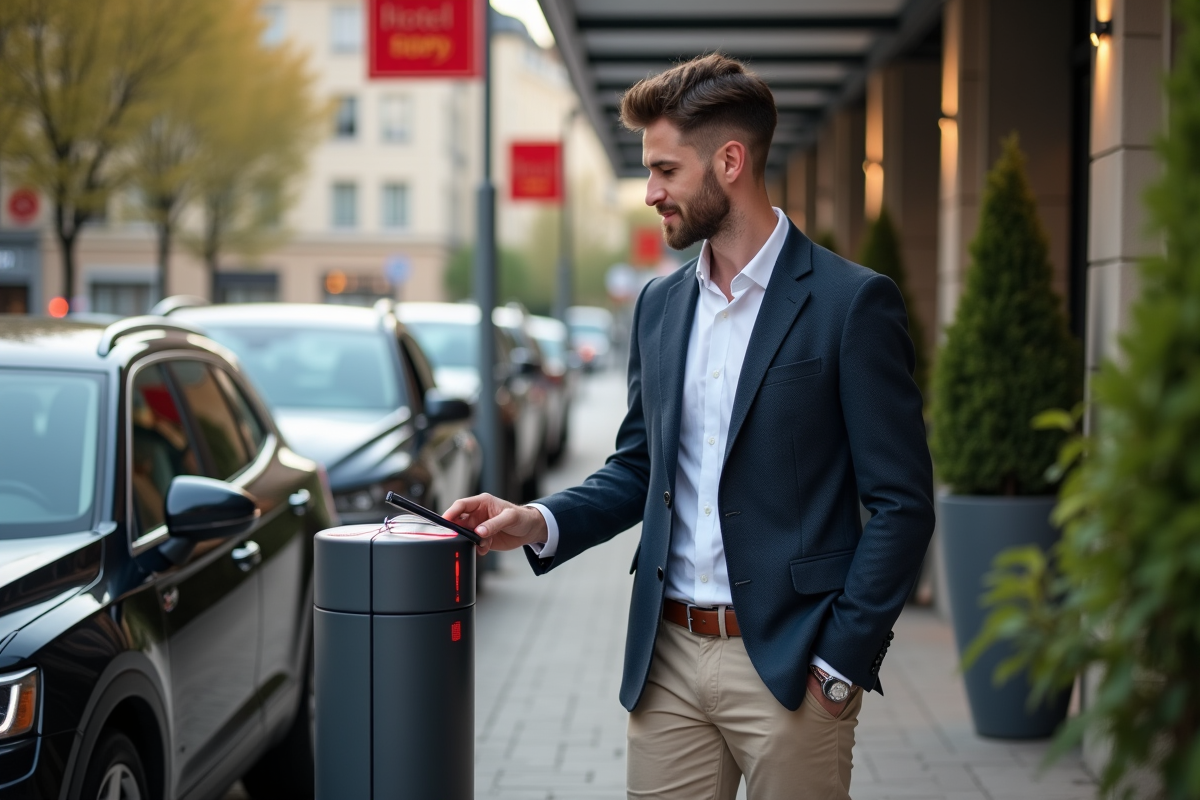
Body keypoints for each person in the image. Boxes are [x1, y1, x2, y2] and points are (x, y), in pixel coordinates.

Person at [444, 52, 934, 800]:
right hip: (667, 660)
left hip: (792, 663)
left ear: (730, 162)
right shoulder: (660, 306)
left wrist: (840, 663)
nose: (650, 193)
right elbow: (638, 467)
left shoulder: (850, 304)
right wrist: (535, 520)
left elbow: (902, 503)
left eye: (666, 170)